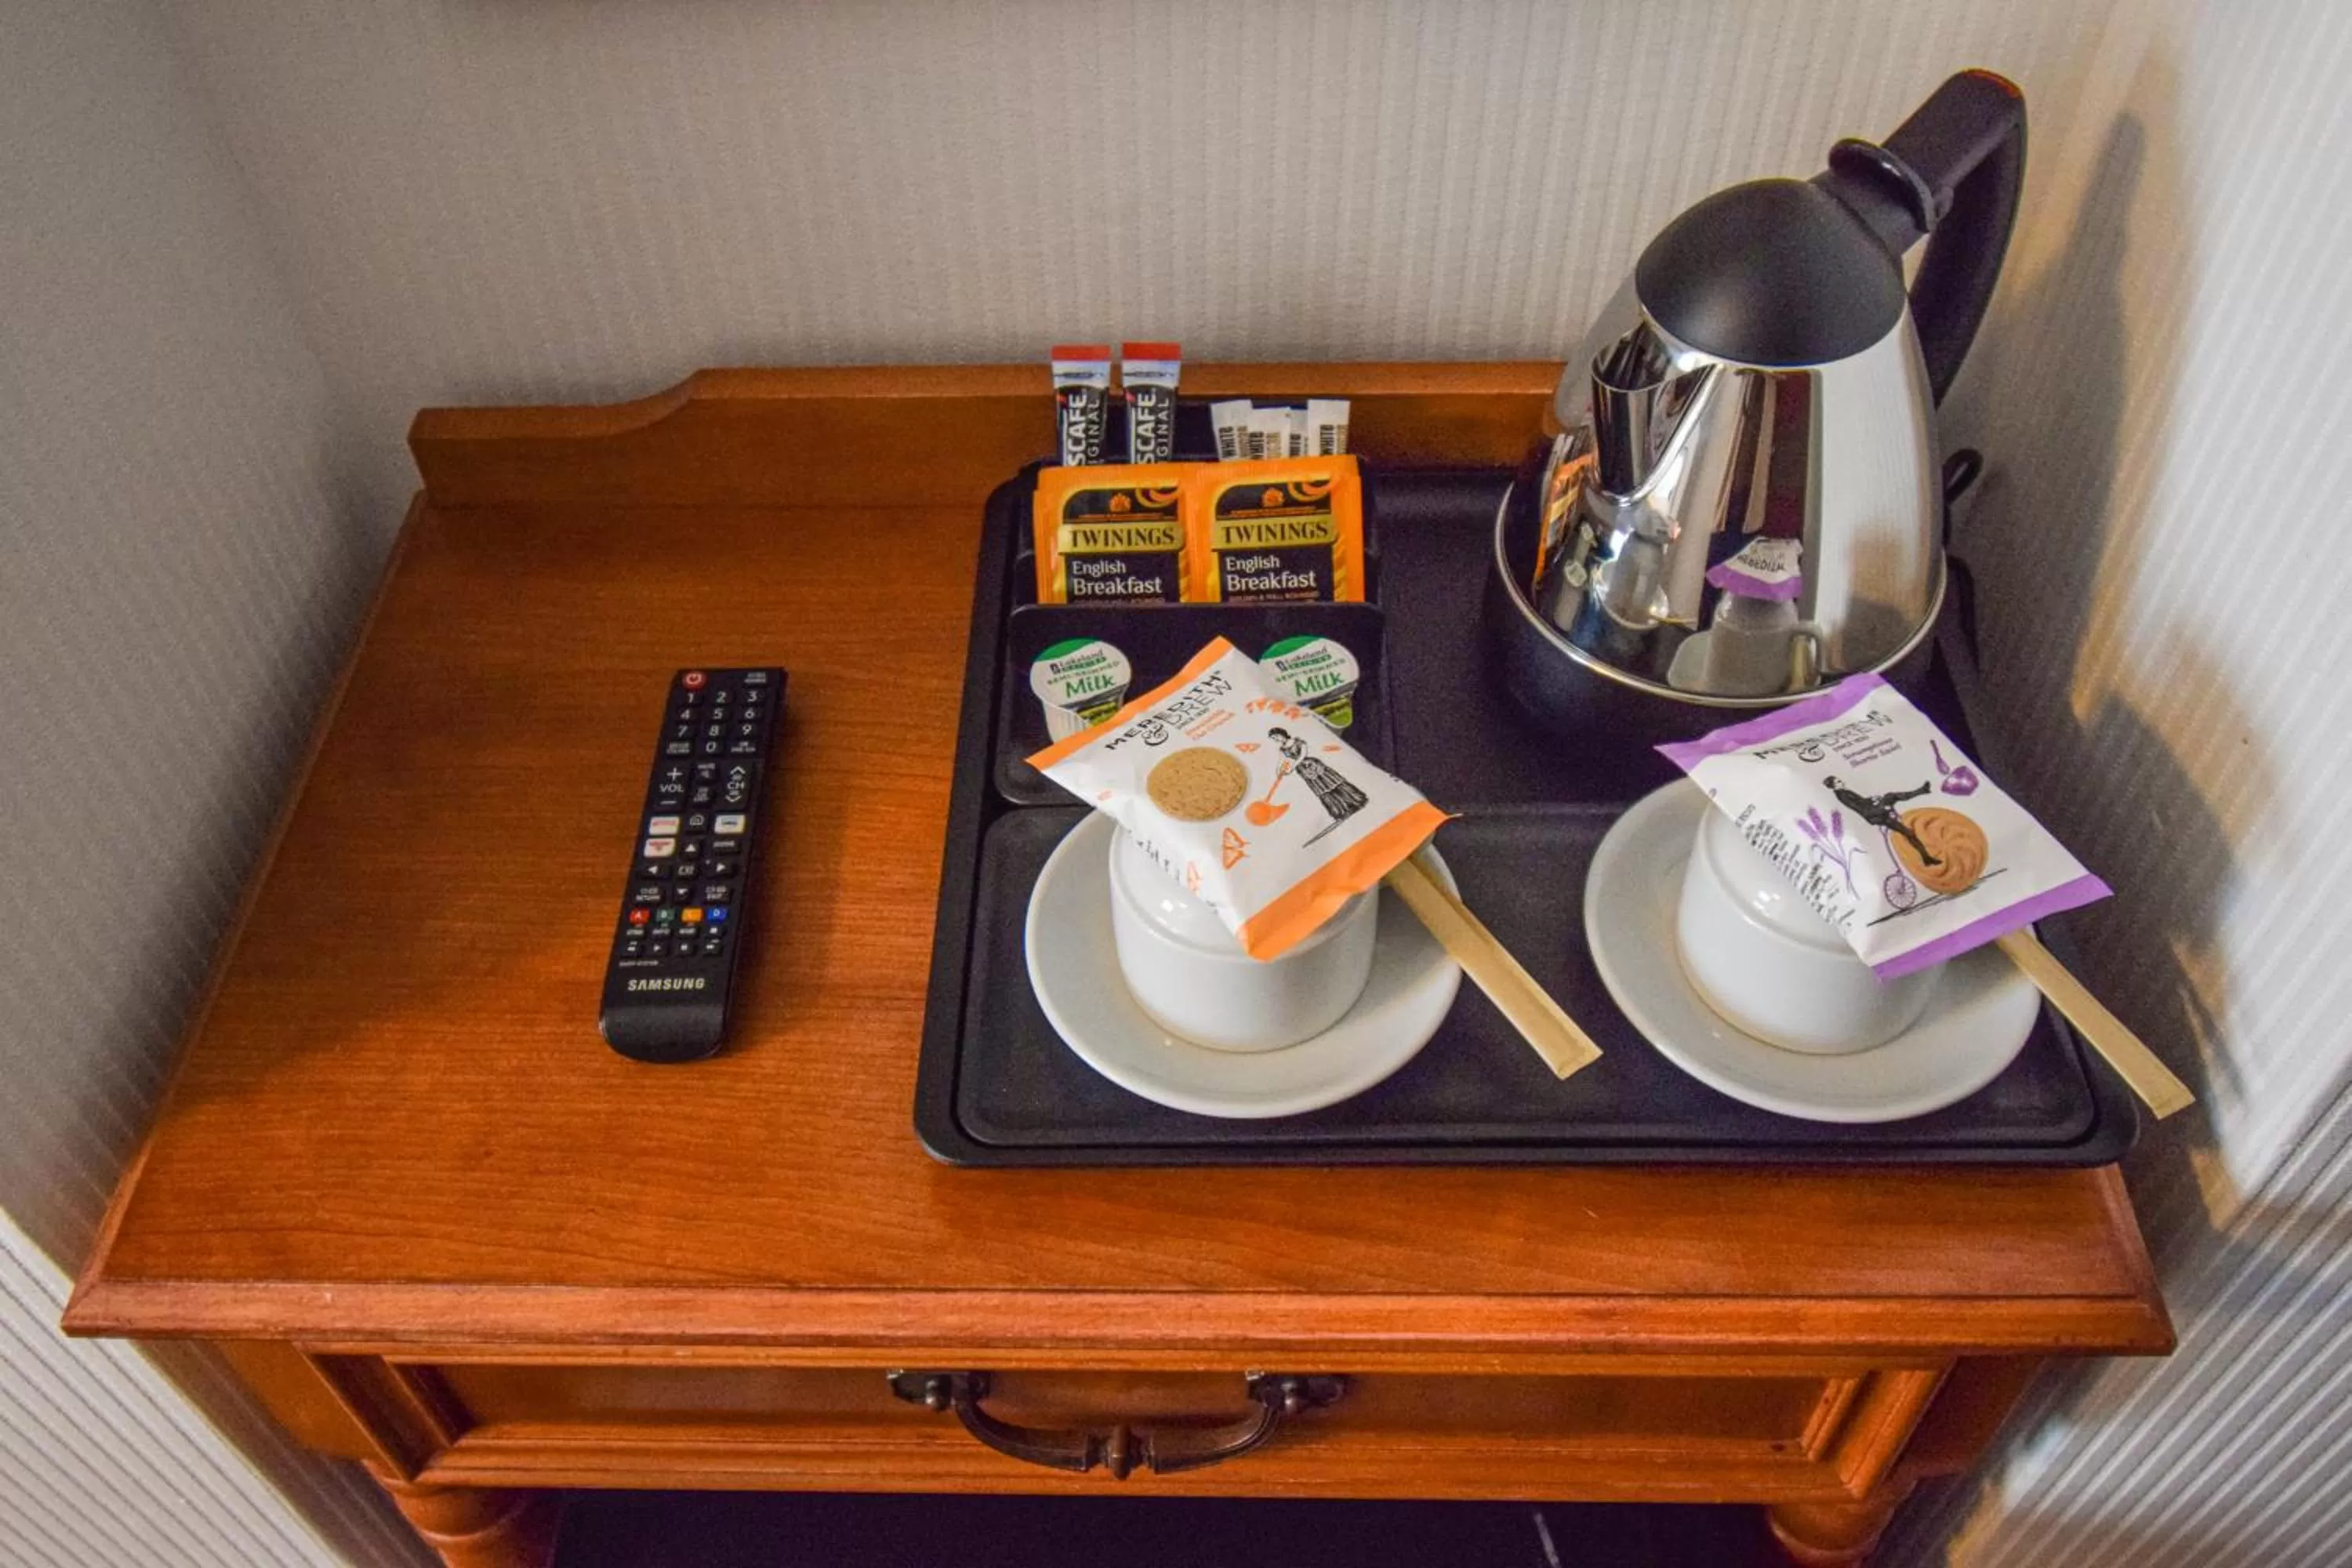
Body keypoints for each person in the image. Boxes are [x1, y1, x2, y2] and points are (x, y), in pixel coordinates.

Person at [1823, 775, 1939, 866]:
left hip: (1874, 810)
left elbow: (1861, 802)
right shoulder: (1842, 795)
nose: (1841, 782)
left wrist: (1872, 799)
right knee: (1890, 798)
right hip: (1875, 815)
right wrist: (1882, 809)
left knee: (1906, 829)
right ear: (1834, 787)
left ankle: (1927, 858)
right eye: (1838, 782)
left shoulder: (1843, 792)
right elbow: (1859, 809)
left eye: (1839, 780)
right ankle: (1922, 791)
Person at [1269, 727, 1369, 828]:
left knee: (1332, 782)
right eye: (1274, 738)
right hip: (1304, 772)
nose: (1276, 739)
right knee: (1321, 790)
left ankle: (1356, 801)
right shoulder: (1282, 749)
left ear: (1282, 734)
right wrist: (1279, 772)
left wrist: (1292, 767)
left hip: (1313, 765)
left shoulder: (1298, 741)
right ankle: (1341, 811)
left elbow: (1303, 755)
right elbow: (1280, 761)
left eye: (1276, 736)